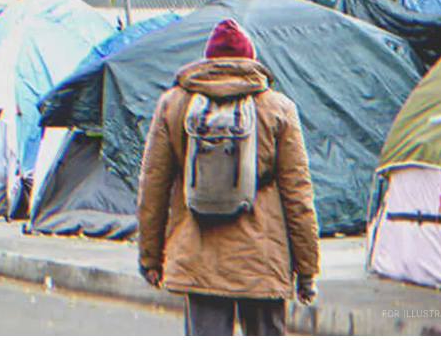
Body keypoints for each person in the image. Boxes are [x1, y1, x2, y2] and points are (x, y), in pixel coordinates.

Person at [137, 18, 320, 336]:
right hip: (262, 258)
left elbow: (153, 185)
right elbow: (298, 194)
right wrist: (307, 269)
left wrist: (150, 257)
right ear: (251, 59)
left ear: (208, 59)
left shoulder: (173, 104)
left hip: (198, 255)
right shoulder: (277, 108)